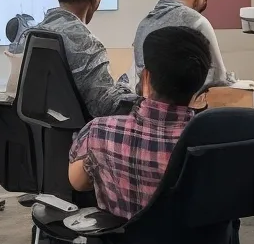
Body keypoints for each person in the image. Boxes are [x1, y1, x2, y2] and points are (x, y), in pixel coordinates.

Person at [67, 26, 211, 218]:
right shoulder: (213, 141)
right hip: (193, 238)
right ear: (200, 86)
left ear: (146, 78)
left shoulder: (100, 131)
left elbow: (77, 182)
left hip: (125, 237)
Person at [9, 0, 137, 118]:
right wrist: (128, 85)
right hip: (81, 132)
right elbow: (104, 108)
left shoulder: (34, 34)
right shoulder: (87, 43)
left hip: (42, 130)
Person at [132, 0, 232, 91]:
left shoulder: (143, 25)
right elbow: (218, 78)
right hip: (188, 104)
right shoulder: (197, 23)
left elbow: (138, 79)